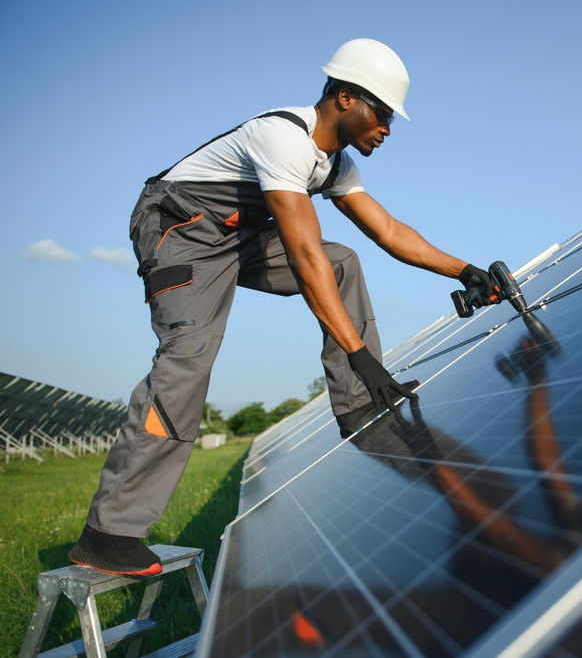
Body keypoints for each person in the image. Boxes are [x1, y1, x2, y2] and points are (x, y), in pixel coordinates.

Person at [69, 39, 500, 576]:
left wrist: (464, 270)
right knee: (189, 354)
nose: (388, 128)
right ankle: (109, 533)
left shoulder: (334, 164)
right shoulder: (283, 138)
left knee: (341, 261)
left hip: (238, 235)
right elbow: (301, 253)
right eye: (383, 113)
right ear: (345, 97)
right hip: (180, 227)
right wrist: (360, 354)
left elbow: (388, 231)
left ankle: (356, 403)